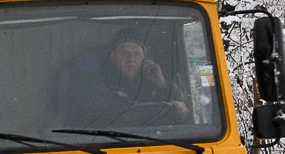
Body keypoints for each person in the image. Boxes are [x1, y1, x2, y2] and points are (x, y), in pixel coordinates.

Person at [61, 34, 191, 128]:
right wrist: (158, 111)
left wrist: (163, 84)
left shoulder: (155, 83)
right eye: (125, 53)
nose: (131, 59)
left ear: (144, 58)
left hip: (157, 145)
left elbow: (186, 111)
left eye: (136, 54)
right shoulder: (95, 83)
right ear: (113, 56)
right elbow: (109, 117)